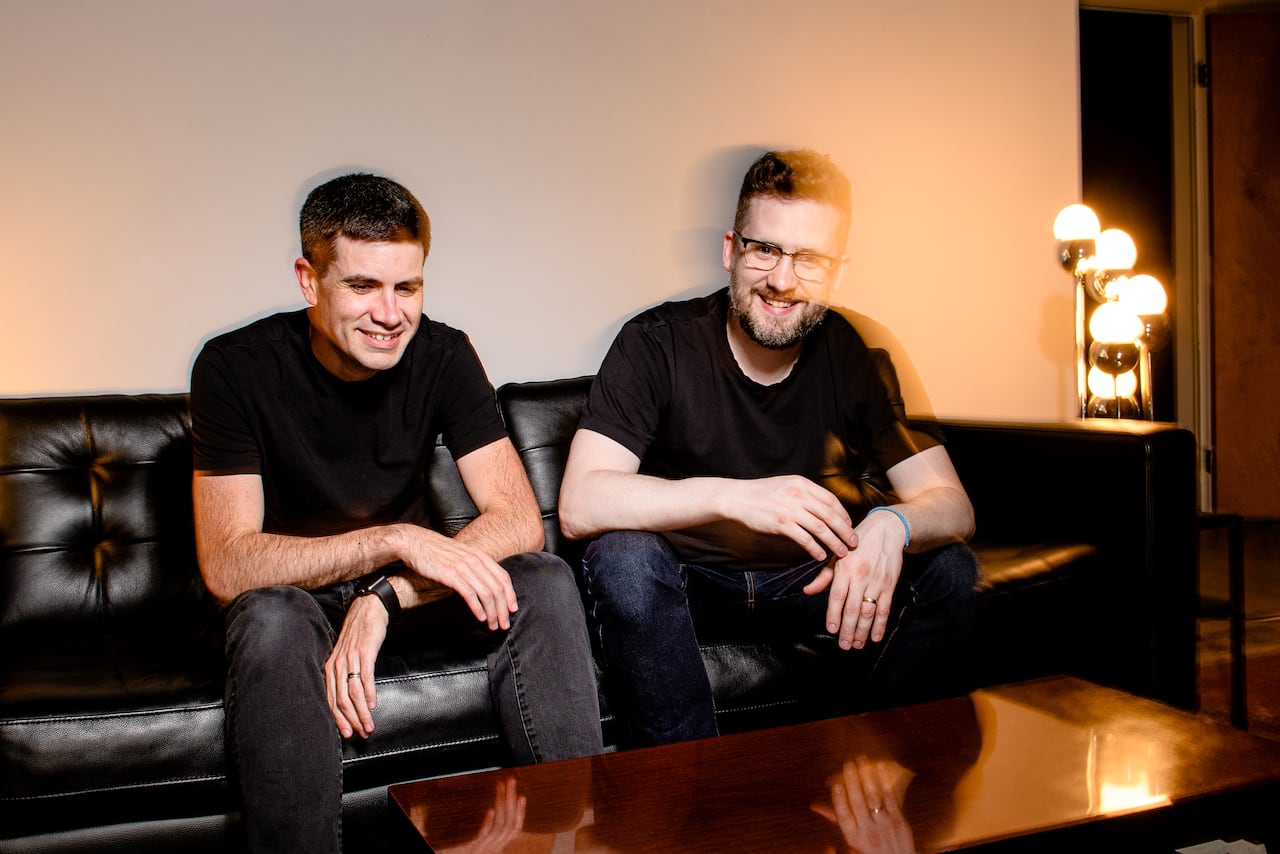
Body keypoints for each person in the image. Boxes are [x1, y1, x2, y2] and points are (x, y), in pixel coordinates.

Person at [190, 173, 602, 852]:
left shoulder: (444, 353)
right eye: (362, 286)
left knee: (543, 577)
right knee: (269, 616)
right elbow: (229, 565)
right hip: (297, 601)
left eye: (406, 287)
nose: (389, 314)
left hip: (406, 598)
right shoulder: (234, 368)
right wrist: (395, 539)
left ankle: (571, 840)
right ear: (308, 281)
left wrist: (387, 595)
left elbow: (519, 520)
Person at [558, 149, 978, 747]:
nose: (782, 280)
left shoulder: (859, 352)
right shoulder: (655, 343)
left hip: (815, 581)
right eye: (766, 250)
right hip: (689, 584)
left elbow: (954, 506)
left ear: (838, 272)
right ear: (731, 250)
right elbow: (579, 504)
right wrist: (735, 498)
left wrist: (894, 524)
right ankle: (687, 785)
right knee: (622, 558)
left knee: (950, 567)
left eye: (809, 259)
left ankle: (878, 767)